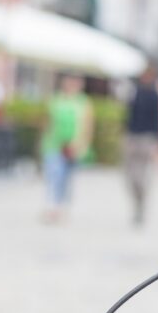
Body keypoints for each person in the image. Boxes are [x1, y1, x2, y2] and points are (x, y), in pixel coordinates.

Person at [40, 74, 93, 223]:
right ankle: (52, 206)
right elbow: (48, 122)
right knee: (54, 175)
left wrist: (82, 144)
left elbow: (88, 125)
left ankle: (63, 206)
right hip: (54, 144)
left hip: (74, 146)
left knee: (66, 178)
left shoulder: (83, 102)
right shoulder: (56, 100)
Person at [124, 62, 158, 226]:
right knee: (130, 176)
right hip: (133, 137)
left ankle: (141, 206)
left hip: (148, 139)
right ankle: (137, 202)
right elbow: (129, 115)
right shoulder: (135, 93)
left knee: (143, 177)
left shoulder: (155, 96)